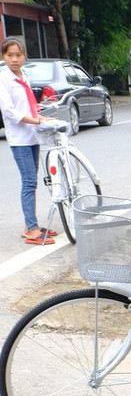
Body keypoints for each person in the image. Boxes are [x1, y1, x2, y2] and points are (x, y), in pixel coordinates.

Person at [0, 36, 57, 245]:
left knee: (32, 181)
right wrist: (35, 120)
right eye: (10, 55)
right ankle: (32, 230)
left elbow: (28, 105)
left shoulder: (24, 76)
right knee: (29, 182)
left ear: (24, 56)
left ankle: (30, 224)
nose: (14, 59)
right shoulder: (3, 79)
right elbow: (9, 111)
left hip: (32, 135)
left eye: (18, 55)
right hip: (19, 139)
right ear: (3, 56)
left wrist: (40, 117)